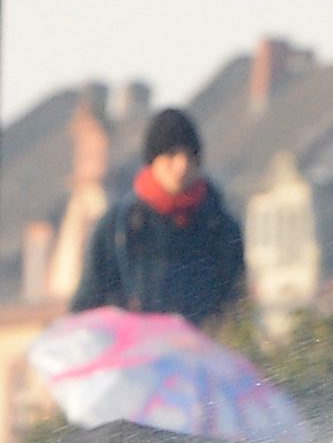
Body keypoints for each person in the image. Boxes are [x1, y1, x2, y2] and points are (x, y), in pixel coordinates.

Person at [72, 109, 249, 327]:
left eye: (189, 156)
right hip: (134, 354)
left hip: (198, 354)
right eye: (171, 155)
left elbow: (237, 308)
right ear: (153, 160)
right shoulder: (118, 227)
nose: (182, 166)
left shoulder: (221, 228)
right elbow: (86, 307)